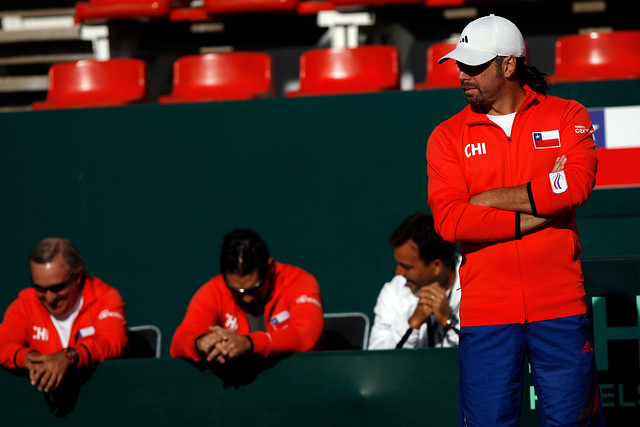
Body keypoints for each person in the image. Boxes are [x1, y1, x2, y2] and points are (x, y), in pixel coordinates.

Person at [426, 14, 603, 426]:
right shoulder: (446, 136)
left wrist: (485, 200)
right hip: (486, 313)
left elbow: (575, 186)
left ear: (508, 65)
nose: (461, 74)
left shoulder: (566, 114)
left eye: (473, 65)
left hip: (559, 306)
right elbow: (451, 222)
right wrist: (540, 209)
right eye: (460, 64)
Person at [170, 228, 324, 364]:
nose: (246, 298)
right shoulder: (212, 291)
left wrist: (249, 343)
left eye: (255, 288)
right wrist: (201, 342)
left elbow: (305, 335)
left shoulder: (299, 282)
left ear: (270, 268)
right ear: (222, 272)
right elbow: (179, 342)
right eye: (236, 291)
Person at [0, 238, 128, 393]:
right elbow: (3, 344)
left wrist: (69, 355)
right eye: (40, 289)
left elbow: (113, 342)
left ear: (78, 275)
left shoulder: (105, 297)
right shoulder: (26, 304)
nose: (50, 298)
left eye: (58, 288)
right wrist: (28, 358)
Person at [368, 212, 461, 350]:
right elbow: (378, 358)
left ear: (436, 266)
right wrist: (412, 324)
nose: (398, 273)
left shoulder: (478, 284)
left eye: (407, 267)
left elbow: (484, 354)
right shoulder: (394, 290)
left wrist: (448, 320)